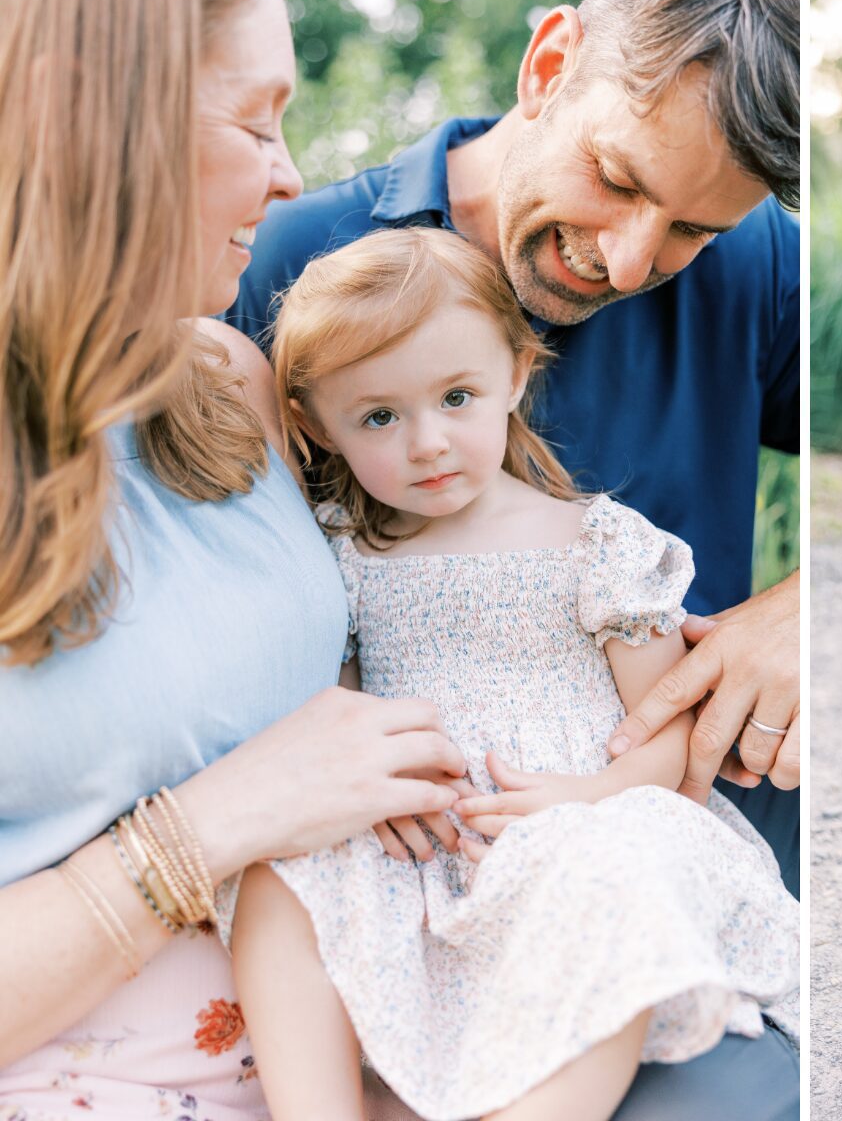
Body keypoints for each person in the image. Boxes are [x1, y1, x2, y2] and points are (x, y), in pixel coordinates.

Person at [223, 0, 805, 909]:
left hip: (683, 879)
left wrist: (805, 613)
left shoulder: (763, 262)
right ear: (548, 67)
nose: (627, 263)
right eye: (616, 180)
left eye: (693, 231)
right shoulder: (287, 266)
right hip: (396, 881)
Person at [0, 0, 475, 1115]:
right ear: (82, 115)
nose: (289, 174)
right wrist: (210, 827)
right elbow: (266, 781)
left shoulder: (226, 383)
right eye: (254, 121)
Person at [229, 226, 799, 1121]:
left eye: (458, 397)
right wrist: (369, 787)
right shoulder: (338, 552)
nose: (428, 443)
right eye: (379, 416)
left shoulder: (597, 544)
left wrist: (592, 794)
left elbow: (668, 729)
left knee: (611, 883)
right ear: (314, 424)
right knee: (280, 882)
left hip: (584, 818)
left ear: (515, 375)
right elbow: (337, 711)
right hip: (418, 835)